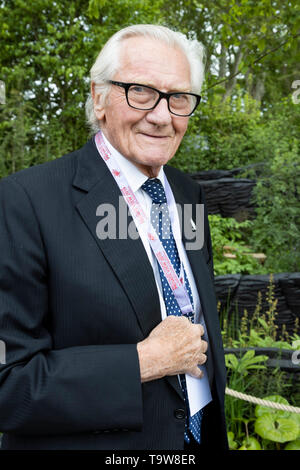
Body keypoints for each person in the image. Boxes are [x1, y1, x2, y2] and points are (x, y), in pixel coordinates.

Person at [0, 24, 228, 451]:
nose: (161, 116)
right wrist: (143, 362)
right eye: (140, 90)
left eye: (178, 97)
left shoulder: (187, 193)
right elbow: (9, 385)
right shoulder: (22, 201)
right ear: (99, 98)